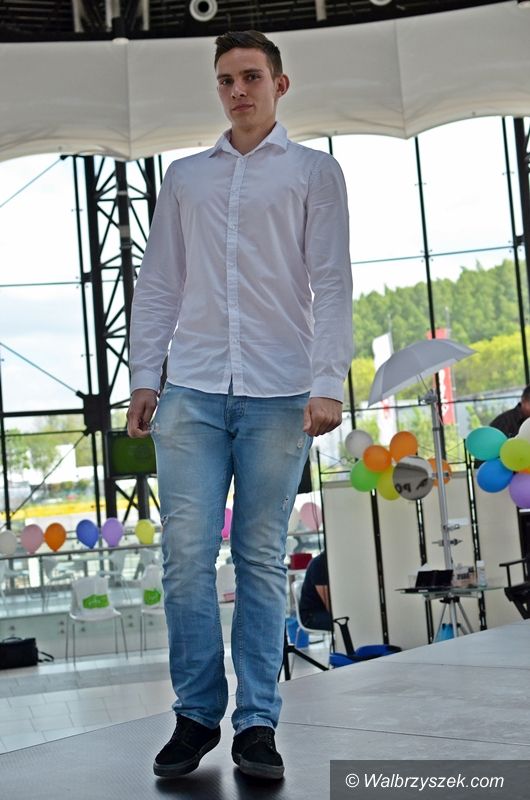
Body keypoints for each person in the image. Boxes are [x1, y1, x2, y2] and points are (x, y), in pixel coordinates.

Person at [127, 29, 352, 781]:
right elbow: (159, 282)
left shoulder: (315, 172)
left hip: (281, 392)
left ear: (280, 85)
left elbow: (332, 280)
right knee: (185, 558)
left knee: (258, 558)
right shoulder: (185, 178)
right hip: (190, 389)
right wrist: (145, 377)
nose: (238, 91)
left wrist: (328, 381)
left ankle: (257, 723)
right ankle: (196, 715)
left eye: (251, 77)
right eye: (226, 79)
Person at [299, 550, 333, 631]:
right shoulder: (319, 564)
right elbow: (330, 606)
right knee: (350, 621)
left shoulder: (333, 562)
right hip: (312, 616)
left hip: (324, 612)